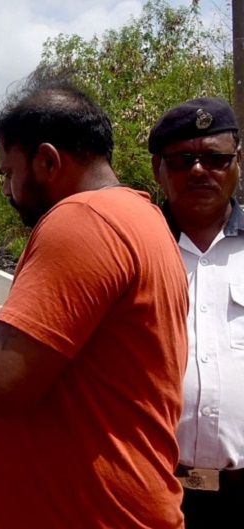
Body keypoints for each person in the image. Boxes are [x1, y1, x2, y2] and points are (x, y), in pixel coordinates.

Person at [0, 74, 189, 528]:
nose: (5, 189)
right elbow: (86, 361)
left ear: (47, 161)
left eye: (7, 172)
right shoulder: (142, 215)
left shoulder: (79, 221)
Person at [149, 97, 244, 528]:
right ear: (159, 170)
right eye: (184, 159)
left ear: (237, 161)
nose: (200, 170)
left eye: (215, 158)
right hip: (153, 486)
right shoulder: (132, 252)